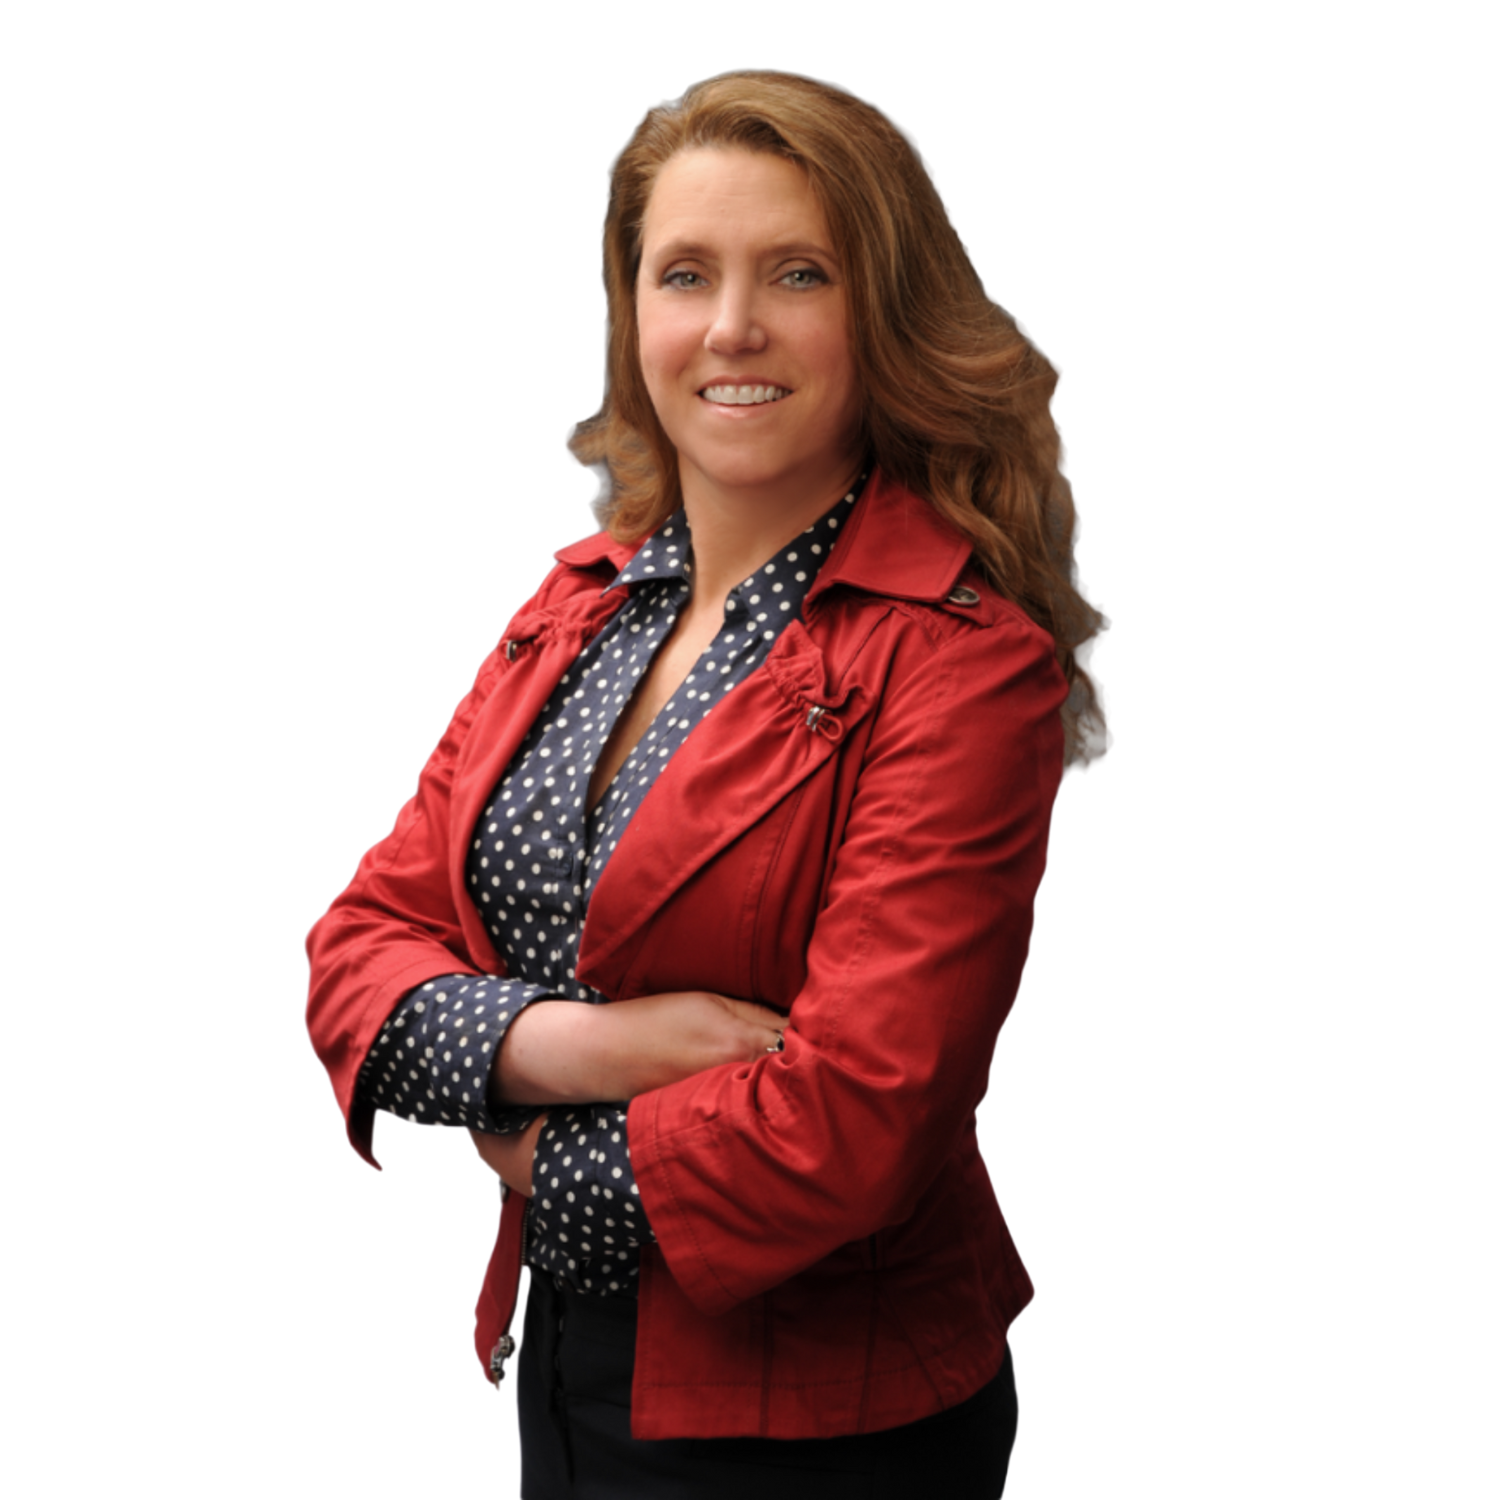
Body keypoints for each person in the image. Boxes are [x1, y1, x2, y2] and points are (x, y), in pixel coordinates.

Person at [304, 67, 1110, 1499]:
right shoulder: (575, 603)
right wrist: (596, 1049)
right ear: (636, 320)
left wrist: (520, 1156)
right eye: (686, 274)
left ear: (882, 312)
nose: (732, 327)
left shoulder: (964, 663)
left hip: (828, 1435)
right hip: (552, 1366)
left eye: (796, 271)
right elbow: (353, 952)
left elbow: (857, 1122)